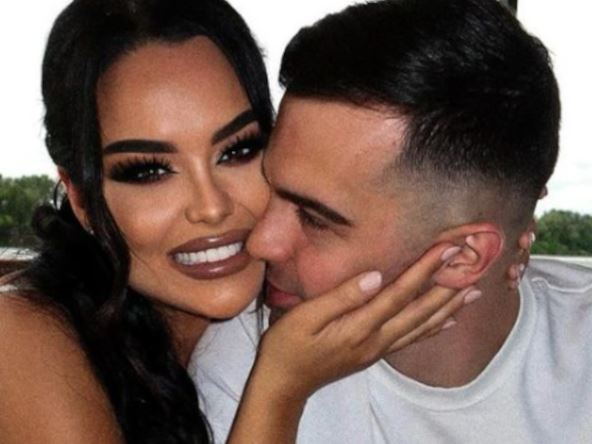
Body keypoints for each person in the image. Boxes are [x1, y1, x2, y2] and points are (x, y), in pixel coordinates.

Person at [0, 0, 482, 442]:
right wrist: (280, 387)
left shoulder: (295, 295)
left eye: (238, 150)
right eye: (149, 170)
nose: (211, 207)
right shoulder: (20, 335)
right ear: (82, 199)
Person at [192, 0, 592, 442]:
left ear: (461, 256)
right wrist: (278, 393)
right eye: (272, 188)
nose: (260, 242)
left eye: (315, 219)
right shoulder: (253, 361)